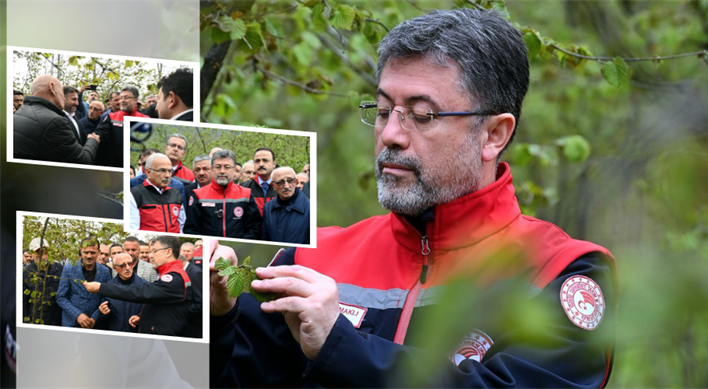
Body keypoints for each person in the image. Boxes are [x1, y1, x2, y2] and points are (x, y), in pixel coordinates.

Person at [210, 9, 616, 389]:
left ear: (494, 134)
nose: (390, 135)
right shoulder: (310, 258)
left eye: (422, 116)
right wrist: (213, 316)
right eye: (384, 111)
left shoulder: (562, 273)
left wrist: (341, 347)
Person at [84, 236, 195, 337]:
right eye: (122, 265)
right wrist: (141, 317)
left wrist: (101, 288)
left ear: (168, 252)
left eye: (154, 251)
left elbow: (140, 292)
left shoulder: (174, 278)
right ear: (115, 268)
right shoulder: (172, 275)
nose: (151, 255)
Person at [13, 75, 101, 164]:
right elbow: (83, 161)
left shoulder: (17, 114)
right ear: (52, 88)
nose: (63, 98)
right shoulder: (55, 122)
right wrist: (92, 140)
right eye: (62, 93)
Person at [185, 149, 261, 239]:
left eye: (227, 167)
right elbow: (191, 230)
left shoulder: (246, 194)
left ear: (234, 170)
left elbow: (254, 228)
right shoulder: (198, 195)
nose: (222, 171)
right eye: (218, 167)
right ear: (212, 169)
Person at [56, 237, 112, 328]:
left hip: (96, 325)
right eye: (86, 252)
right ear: (81, 250)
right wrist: (78, 315)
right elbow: (61, 297)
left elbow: (107, 297)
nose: (89, 256)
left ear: (98, 251)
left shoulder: (105, 271)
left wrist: (95, 317)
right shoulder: (68, 269)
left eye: (93, 253)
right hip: (72, 323)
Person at [94, 85, 149, 167]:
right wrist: (94, 136)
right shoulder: (111, 117)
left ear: (136, 100)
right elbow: (100, 133)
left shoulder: (145, 119)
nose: (122, 101)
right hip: (115, 167)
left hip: (134, 168)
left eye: (126, 97)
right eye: (121, 98)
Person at [129, 153, 185, 233]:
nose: (167, 175)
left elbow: (182, 225)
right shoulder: (135, 194)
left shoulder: (175, 193)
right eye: (162, 171)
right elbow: (133, 227)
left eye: (170, 171)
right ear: (148, 172)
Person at [96, 253, 146, 332]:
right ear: (115, 268)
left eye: (130, 264)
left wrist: (140, 317)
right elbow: (103, 319)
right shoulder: (108, 288)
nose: (127, 268)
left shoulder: (145, 286)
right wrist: (103, 314)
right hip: (115, 334)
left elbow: (152, 312)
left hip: (138, 334)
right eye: (122, 265)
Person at [262, 167, 310, 244]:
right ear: (273, 185)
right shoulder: (268, 208)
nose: (286, 186)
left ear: (296, 182)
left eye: (290, 181)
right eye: (281, 182)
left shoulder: (310, 208)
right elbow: (265, 239)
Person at [22, 238, 63, 326]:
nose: (44, 257)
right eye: (39, 253)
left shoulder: (58, 268)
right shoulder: (27, 273)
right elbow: (24, 302)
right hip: (38, 320)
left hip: (57, 320)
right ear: (31, 254)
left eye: (45, 253)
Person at [240, 147, 278, 216]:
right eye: (257, 161)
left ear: (274, 164)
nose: (261, 164)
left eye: (265, 160)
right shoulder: (243, 188)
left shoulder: (283, 187)